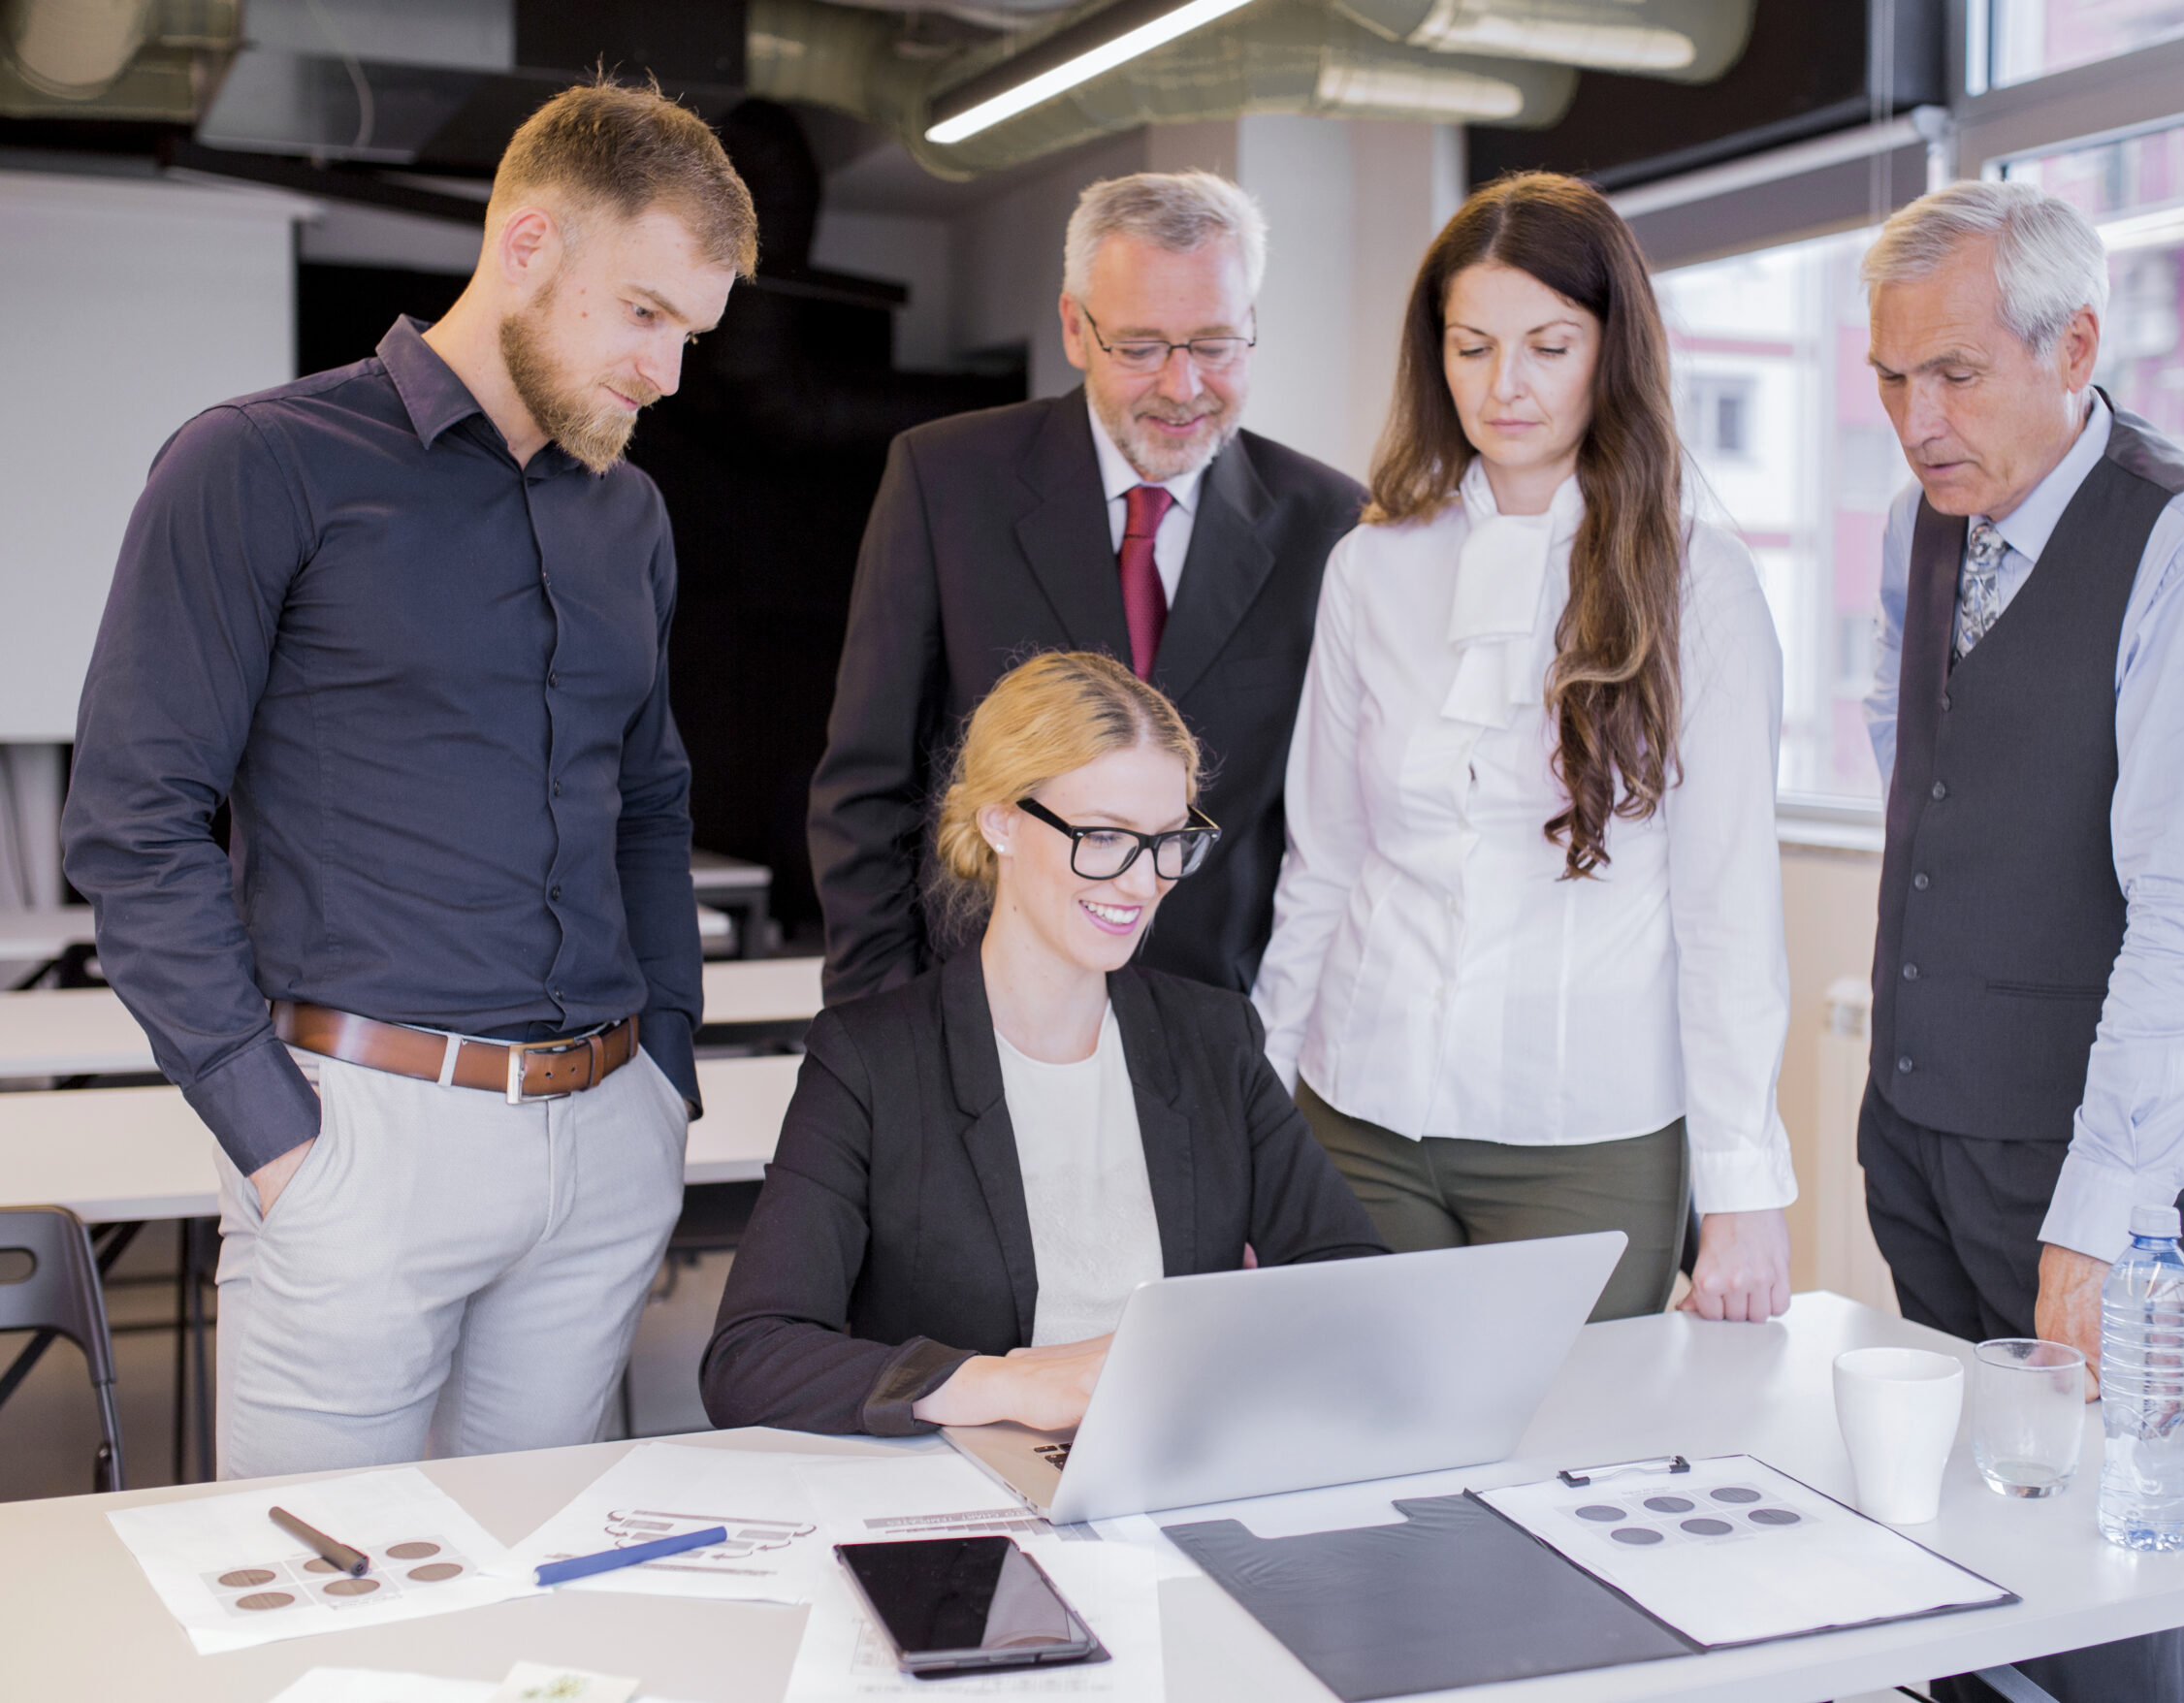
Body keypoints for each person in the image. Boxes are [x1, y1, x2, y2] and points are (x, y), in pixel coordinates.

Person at [59, 82, 757, 1479]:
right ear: (527, 243)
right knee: (319, 1611)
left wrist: (664, 1075)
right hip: (362, 1137)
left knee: (526, 1604)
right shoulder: (258, 464)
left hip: (603, 1136)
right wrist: (275, 1142)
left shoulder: (629, 509)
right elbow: (135, 825)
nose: (667, 374)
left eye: (691, 333)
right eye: (642, 314)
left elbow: (650, 802)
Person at [1856, 181, 2184, 1703]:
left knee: (2096, 1582)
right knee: (1964, 1574)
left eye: (1955, 375)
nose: (1917, 420)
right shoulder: (1936, 523)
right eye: (1890, 378)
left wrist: (2100, 1219)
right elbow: (1930, 774)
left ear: (2077, 345)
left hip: (2083, 1162)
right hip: (1926, 1129)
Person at [1252, 172, 1797, 1326]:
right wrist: (1260, 1102)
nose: (1505, 386)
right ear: (1433, 356)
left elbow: (1726, 907)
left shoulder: (1699, 578)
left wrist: (1746, 1186)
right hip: (1360, 1111)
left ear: (1611, 350)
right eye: (1471, 346)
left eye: (1549, 345)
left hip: (1582, 1137)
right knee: (1359, 1455)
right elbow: (1324, 865)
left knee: (1572, 1470)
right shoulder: (1372, 565)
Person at [705, 653, 1386, 1435]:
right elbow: (750, 1356)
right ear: (1000, 820)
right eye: (1103, 837)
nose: (1142, 883)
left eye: (1169, 841)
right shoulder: (870, 1060)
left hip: (1174, 1473)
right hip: (961, 1504)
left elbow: (1350, 1281)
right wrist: (1000, 1386)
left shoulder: (1216, 1038)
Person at [808, 171, 1365, 1006]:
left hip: (1211, 1038)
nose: (1182, 388)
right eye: (1139, 348)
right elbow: (866, 793)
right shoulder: (946, 480)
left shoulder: (1331, 523)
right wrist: (885, 1032)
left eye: (1214, 345)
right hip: (978, 1020)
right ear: (1074, 327)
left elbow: (1324, 833)